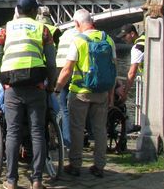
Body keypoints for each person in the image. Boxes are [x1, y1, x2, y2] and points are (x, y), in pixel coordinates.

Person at [0, 0, 57, 189]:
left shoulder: (5, 29)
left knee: (13, 132)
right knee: (38, 132)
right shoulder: (43, 29)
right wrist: (50, 85)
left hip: (13, 87)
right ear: (34, 11)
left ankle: (12, 180)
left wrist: (3, 82)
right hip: (37, 86)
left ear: (17, 10)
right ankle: (37, 180)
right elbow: (50, 63)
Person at [55, 9, 116, 178]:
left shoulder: (79, 40)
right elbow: (113, 68)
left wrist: (57, 89)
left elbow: (67, 69)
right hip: (102, 92)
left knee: (76, 129)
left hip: (80, 92)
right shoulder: (108, 39)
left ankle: (75, 165)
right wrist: (111, 94)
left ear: (76, 24)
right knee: (100, 130)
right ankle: (99, 166)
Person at [53, 25, 79, 150]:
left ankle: (66, 142)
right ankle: (76, 141)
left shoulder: (65, 35)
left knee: (64, 108)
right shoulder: (82, 35)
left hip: (60, 71)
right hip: (75, 72)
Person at [117, 24, 145, 104]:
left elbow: (132, 73)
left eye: (125, 36)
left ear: (132, 34)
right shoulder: (145, 39)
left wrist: (125, 94)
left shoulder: (137, 48)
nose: (123, 39)